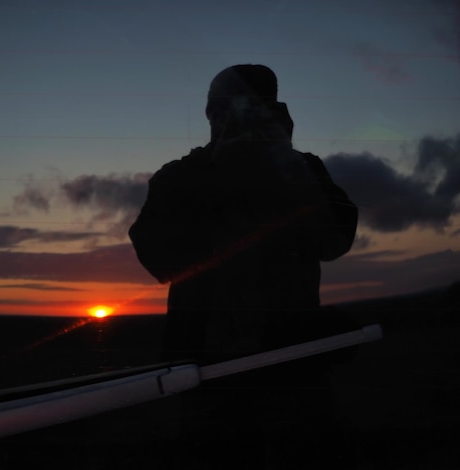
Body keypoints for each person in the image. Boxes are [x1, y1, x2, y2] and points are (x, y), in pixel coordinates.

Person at [129, 64, 358, 363]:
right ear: (211, 115)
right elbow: (161, 261)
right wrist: (218, 175)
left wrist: (284, 164)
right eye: (224, 110)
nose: (236, 119)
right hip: (206, 366)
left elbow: (334, 242)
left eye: (253, 108)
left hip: (292, 361)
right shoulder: (177, 177)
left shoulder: (303, 169)